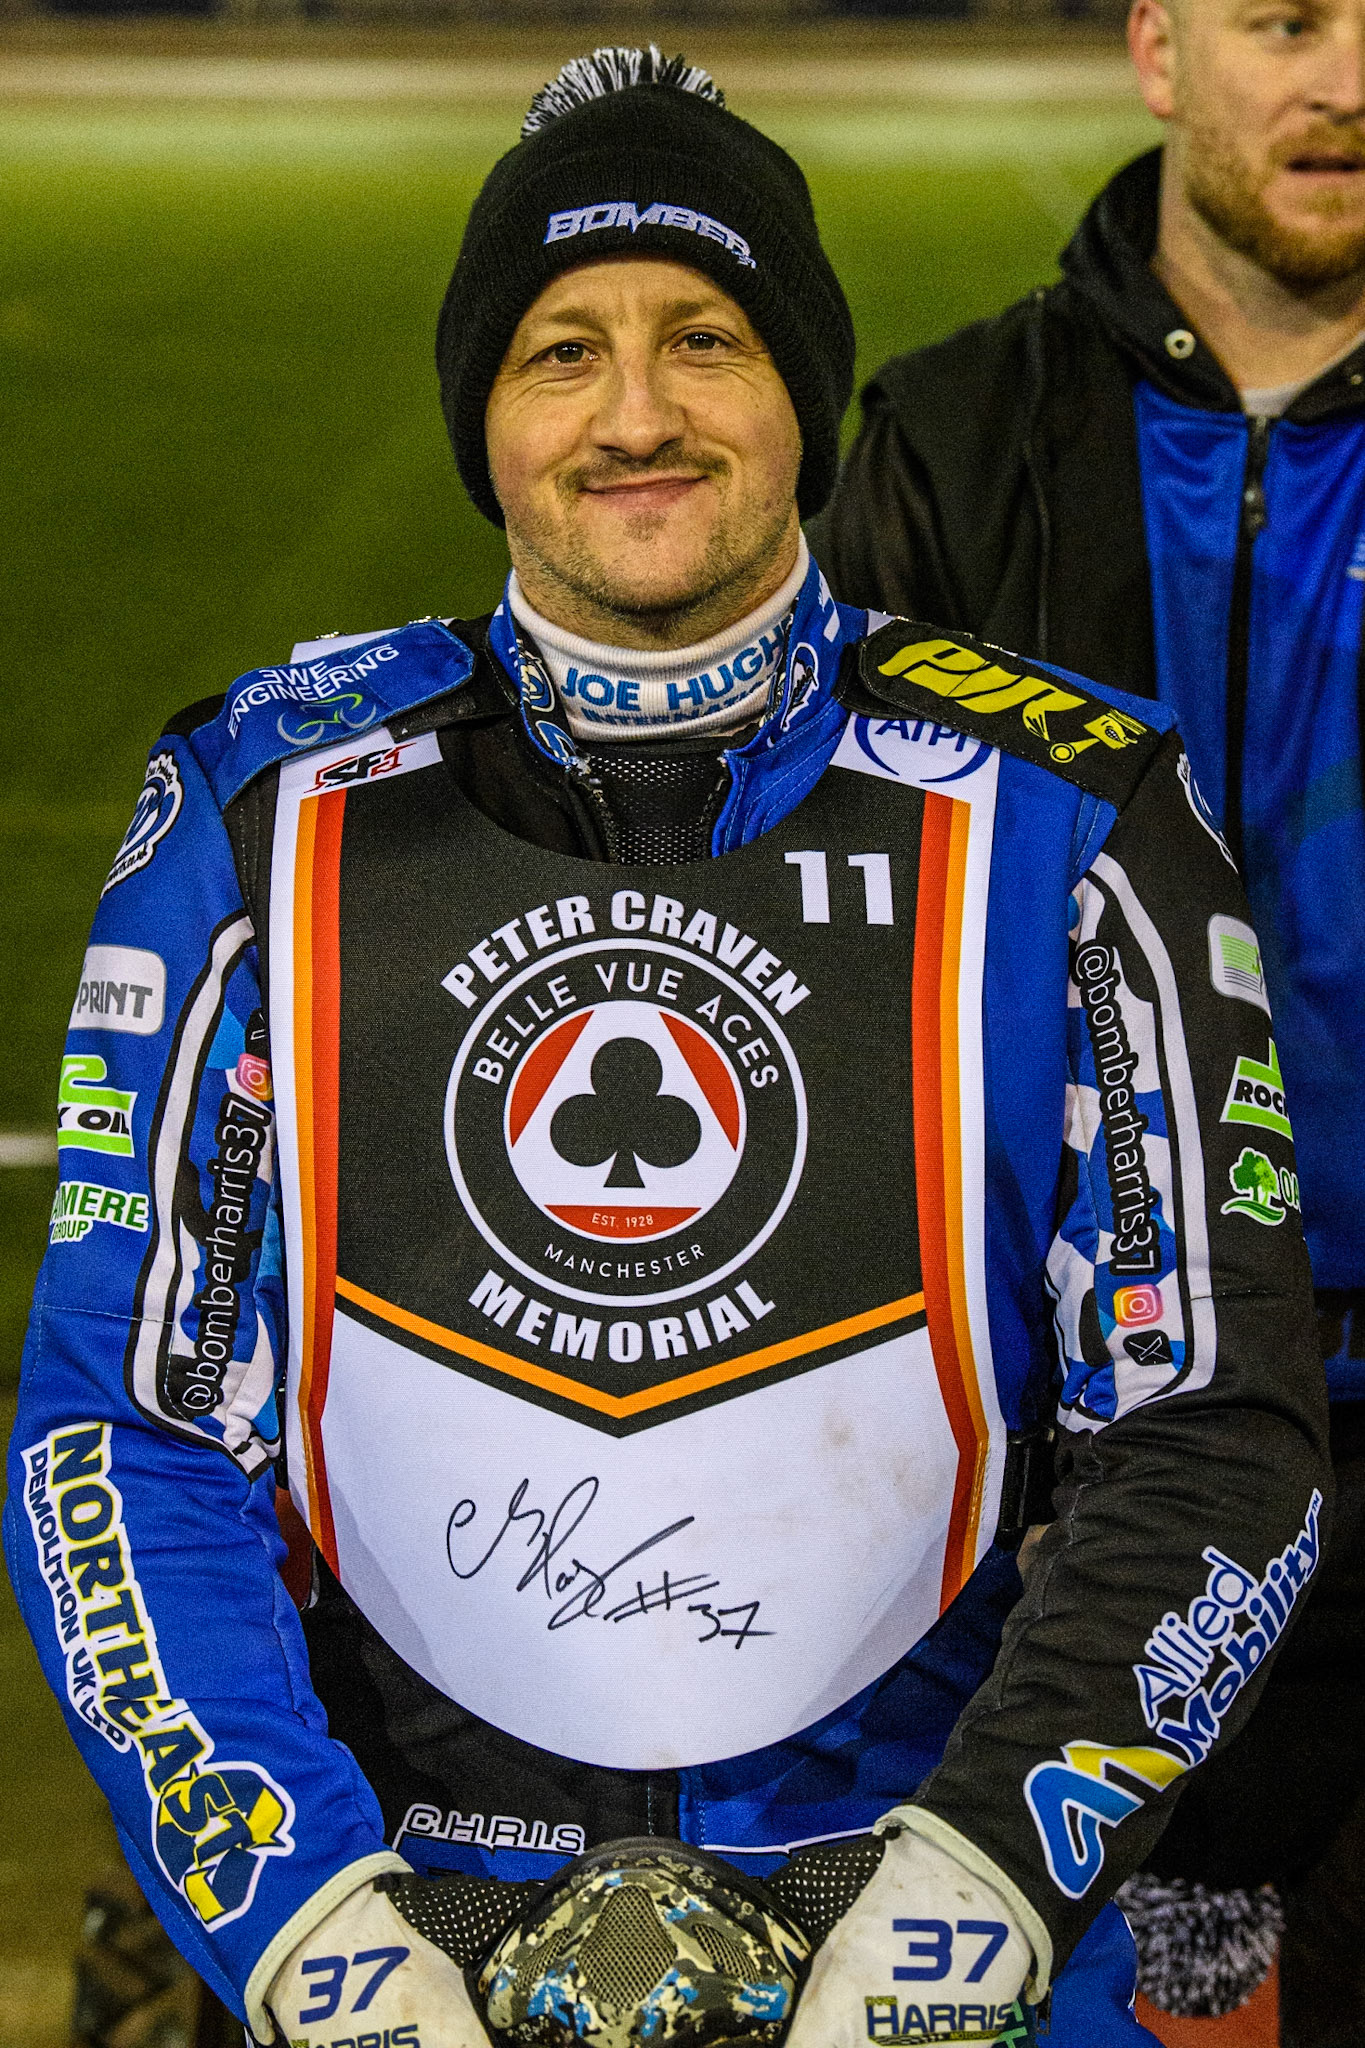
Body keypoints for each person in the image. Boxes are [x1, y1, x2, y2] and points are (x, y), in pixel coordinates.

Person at [5, 46, 1328, 2048]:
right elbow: (125, 1439)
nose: (636, 413)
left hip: (941, 1922)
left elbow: (1211, 1424)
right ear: (483, 417)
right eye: (562, 352)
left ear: (803, 389)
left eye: (704, 337)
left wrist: (973, 1893)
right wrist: (307, 1929)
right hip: (408, 1928)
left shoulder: (1079, 810)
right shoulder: (257, 815)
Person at [807, 3, 1365, 2029]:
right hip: (1071, 1460)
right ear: (1155, 47)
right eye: (1282, 19)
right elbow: (827, 955)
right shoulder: (952, 437)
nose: (1346, 81)